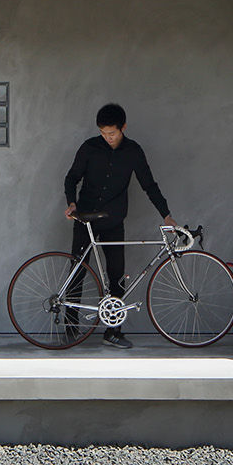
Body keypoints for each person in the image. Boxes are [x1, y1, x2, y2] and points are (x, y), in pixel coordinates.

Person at [63, 103, 176, 349]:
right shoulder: (89, 148)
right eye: (103, 133)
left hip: (114, 220)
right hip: (85, 218)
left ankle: (113, 332)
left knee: (117, 275)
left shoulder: (133, 151)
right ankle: (70, 329)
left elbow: (149, 185)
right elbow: (72, 177)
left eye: (112, 133)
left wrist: (166, 215)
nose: (108, 137)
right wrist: (71, 203)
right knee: (77, 271)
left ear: (123, 127)